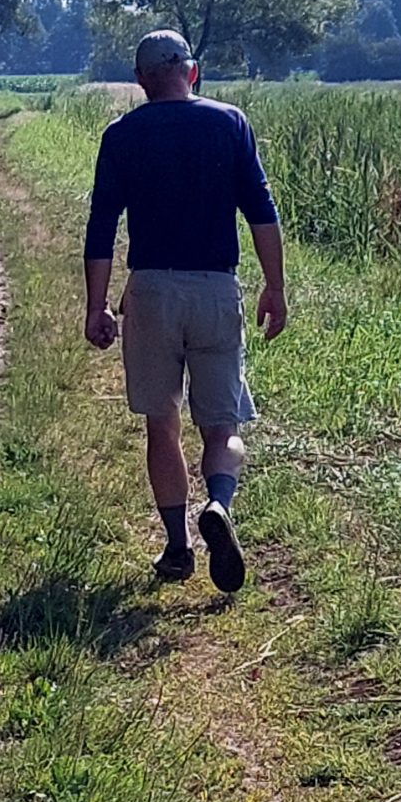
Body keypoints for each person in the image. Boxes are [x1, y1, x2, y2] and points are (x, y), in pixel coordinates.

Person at [82, 29, 287, 590]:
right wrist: (275, 286)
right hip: (216, 289)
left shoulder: (122, 135)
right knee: (222, 429)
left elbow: (101, 227)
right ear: (190, 72)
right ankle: (219, 502)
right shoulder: (229, 123)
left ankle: (177, 548)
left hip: (150, 290)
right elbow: (261, 211)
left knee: (161, 424)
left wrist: (97, 304)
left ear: (140, 80)